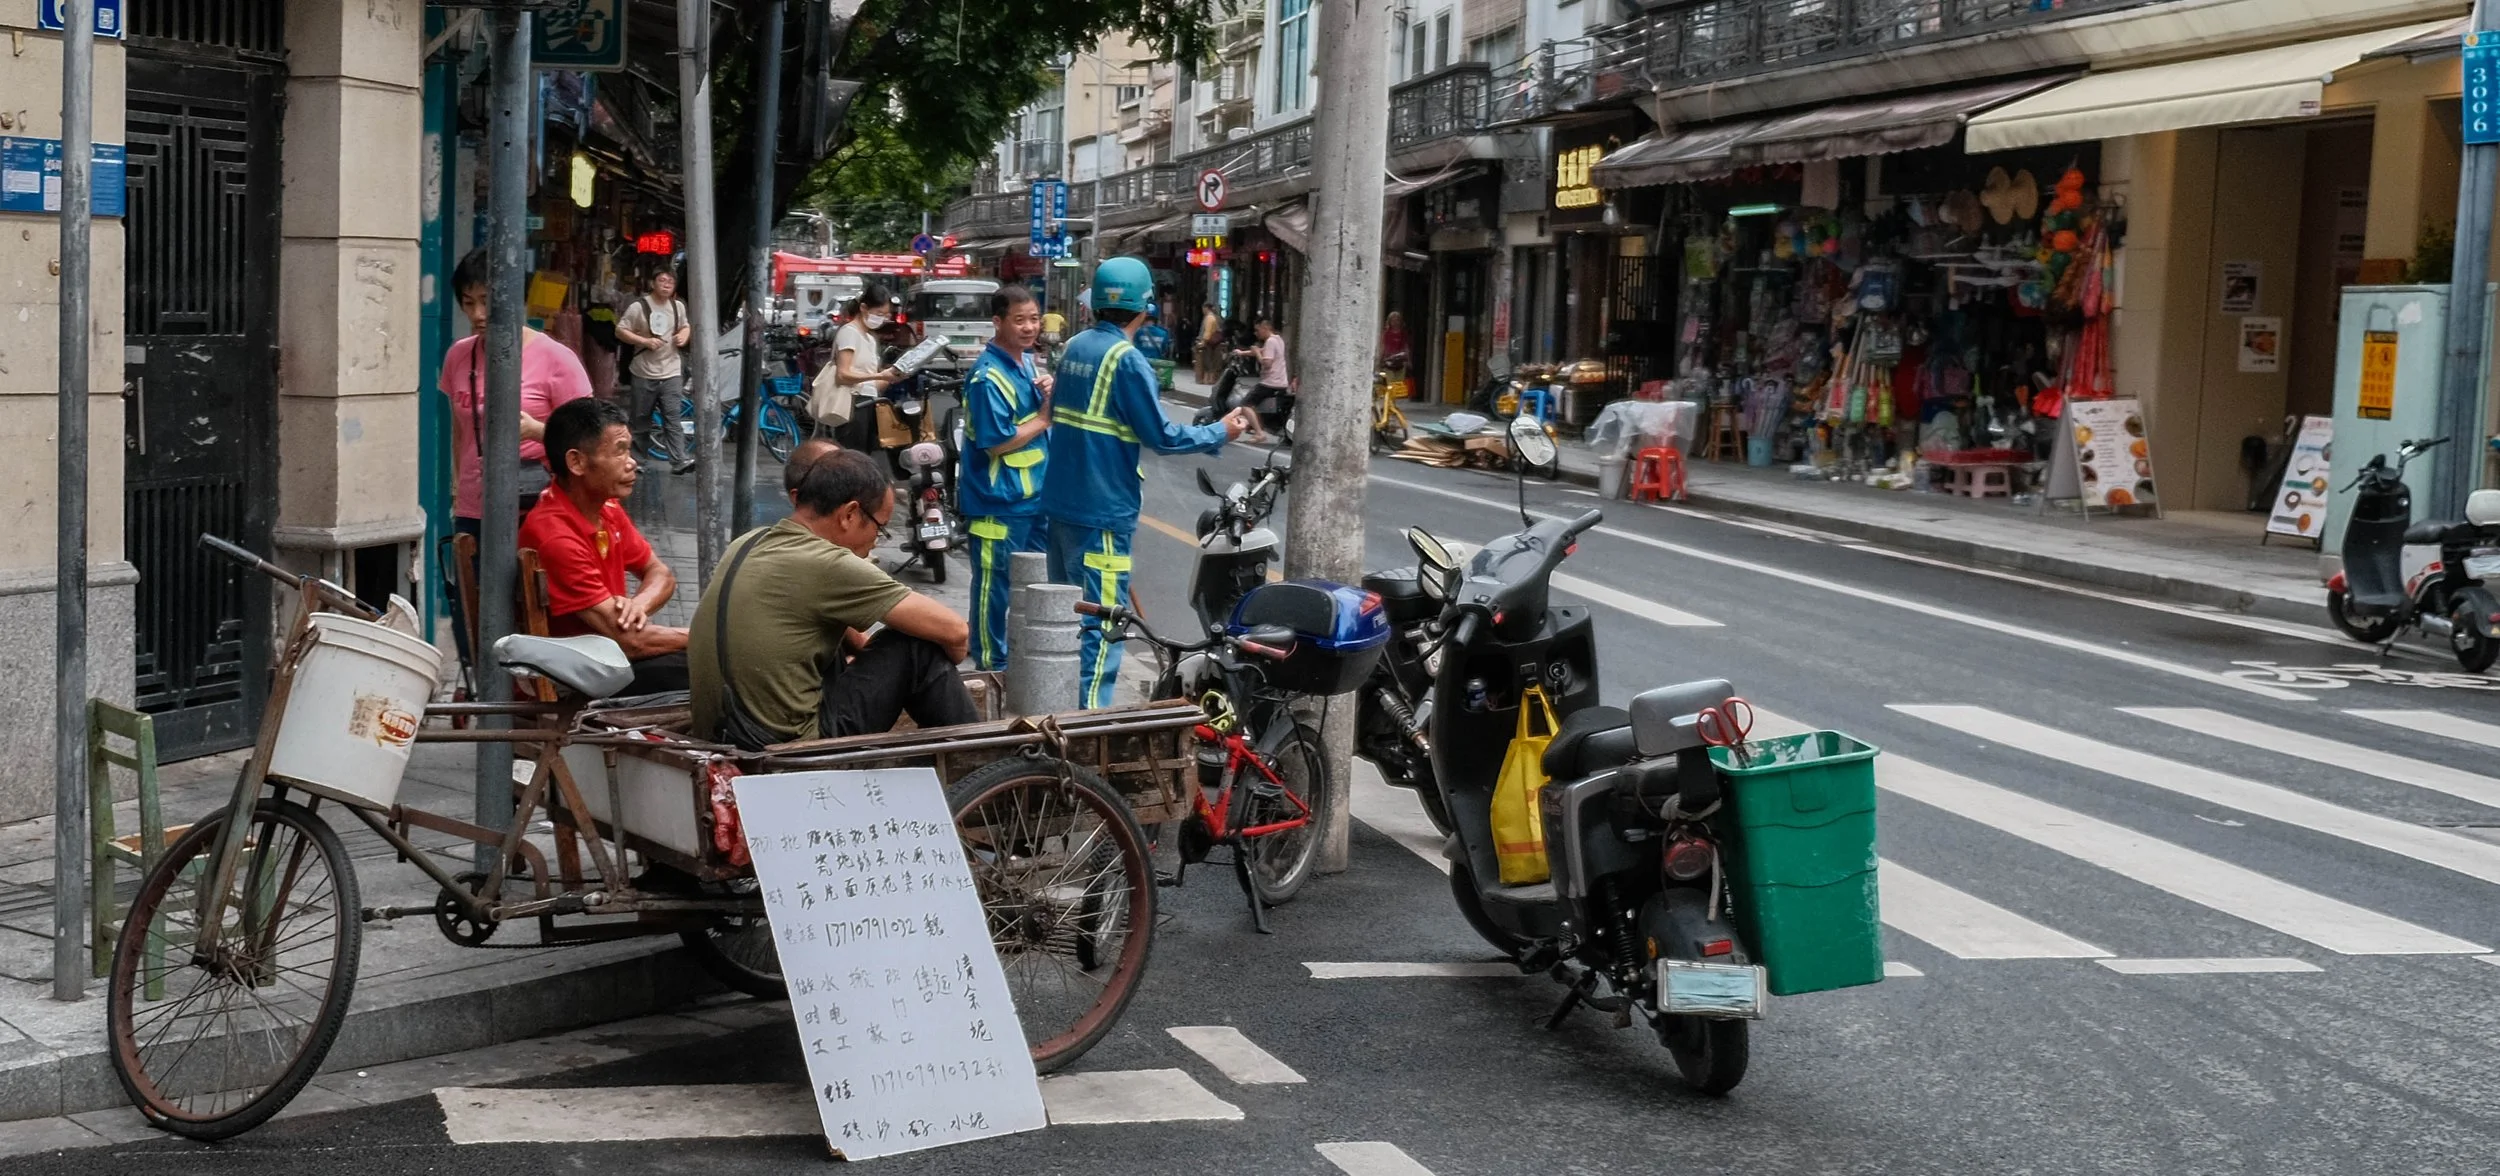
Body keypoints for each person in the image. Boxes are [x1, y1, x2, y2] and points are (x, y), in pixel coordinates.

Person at [1045, 256, 1252, 708]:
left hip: (1062, 506)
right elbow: (1161, 435)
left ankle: (1055, 722)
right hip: (1102, 512)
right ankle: (1085, 737)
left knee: (1063, 625)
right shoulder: (1126, 360)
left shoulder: (1075, 348)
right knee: (1099, 634)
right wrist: (1222, 431)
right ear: (1146, 306)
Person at [688, 447, 978, 748]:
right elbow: (956, 633)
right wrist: (946, 657)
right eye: (880, 528)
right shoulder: (828, 564)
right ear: (849, 514)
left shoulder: (749, 541)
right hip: (784, 747)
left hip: (726, 732)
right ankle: (976, 763)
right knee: (917, 646)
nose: (876, 541)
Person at [439, 247, 593, 663]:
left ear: (515, 298)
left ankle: (523, 703)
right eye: (468, 303)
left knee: (529, 611)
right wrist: (459, 492)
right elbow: (459, 433)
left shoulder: (557, 359)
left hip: (536, 507)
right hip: (475, 507)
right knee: (469, 614)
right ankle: (482, 697)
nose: (478, 313)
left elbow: (591, 441)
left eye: (488, 301)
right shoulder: (459, 355)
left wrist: (538, 430)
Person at [518, 398, 688, 695]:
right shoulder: (555, 535)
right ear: (577, 462)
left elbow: (660, 573)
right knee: (706, 663)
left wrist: (638, 605)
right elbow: (631, 642)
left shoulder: (606, 507)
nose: (631, 462)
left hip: (611, 657)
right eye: (619, 451)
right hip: (578, 677)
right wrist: (709, 636)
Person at [959, 286, 1054, 672]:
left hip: (1034, 498)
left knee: (1035, 582)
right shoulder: (987, 378)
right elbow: (996, 443)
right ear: (997, 322)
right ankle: (989, 664)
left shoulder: (1028, 364)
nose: (1029, 327)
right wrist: (1045, 417)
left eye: (1034, 318)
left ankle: (1020, 654)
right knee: (993, 587)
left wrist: (1046, 389)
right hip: (997, 502)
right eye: (1019, 320)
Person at [614, 270, 695, 474]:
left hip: (671, 370)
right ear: (653, 283)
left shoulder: (678, 306)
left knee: (672, 417)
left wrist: (684, 336)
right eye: (662, 280)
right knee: (641, 419)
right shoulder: (638, 307)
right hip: (644, 371)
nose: (667, 284)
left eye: (670, 281)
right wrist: (644, 341)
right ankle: (637, 460)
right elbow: (620, 330)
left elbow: (686, 326)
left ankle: (679, 460)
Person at [827, 283, 905, 454]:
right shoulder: (849, 333)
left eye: (886, 315)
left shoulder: (870, 338)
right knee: (852, 458)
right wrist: (880, 375)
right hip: (853, 404)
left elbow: (874, 380)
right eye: (879, 314)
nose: (883, 319)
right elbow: (843, 374)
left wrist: (890, 376)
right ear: (863, 307)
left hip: (869, 402)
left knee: (865, 456)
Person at [1232, 317, 1292, 433]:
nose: (1256, 333)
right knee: (1255, 403)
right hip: (1281, 382)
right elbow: (1263, 351)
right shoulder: (1278, 339)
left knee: (1246, 404)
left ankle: (1259, 433)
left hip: (1270, 383)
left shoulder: (1270, 341)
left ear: (1265, 327)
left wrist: (1257, 353)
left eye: (1257, 330)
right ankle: (1255, 425)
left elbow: (1266, 363)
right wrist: (1242, 353)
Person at [1196, 303, 1224, 383]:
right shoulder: (1216, 317)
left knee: (1207, 361)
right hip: (1215, 341)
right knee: (1213, 360)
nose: (1202, 311)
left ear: (1206, 308)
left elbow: (1207, 332)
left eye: (1203, 309)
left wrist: (1203, 342)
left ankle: (1208, 379)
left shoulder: (1209, 318)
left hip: (1209, 342)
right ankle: (1210, 379)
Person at [1379, 310, 1411, 375]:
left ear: (1400, 321)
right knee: (1389, 381)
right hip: (1388, 361)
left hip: (1400, 361)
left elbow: (1406, 347)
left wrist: (1409, 361)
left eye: (1397, 320)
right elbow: (1383, 346)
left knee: (1399, 383)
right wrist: (1380, 359)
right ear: (1389, 322)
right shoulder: (1386, 333)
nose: (1395, 323)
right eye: (1393, 321)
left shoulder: (1403, 333)